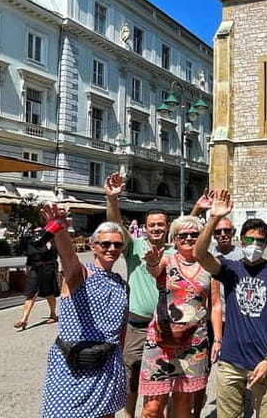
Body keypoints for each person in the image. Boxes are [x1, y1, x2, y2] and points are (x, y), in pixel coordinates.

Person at [195, 190, 267, 418]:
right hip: (230, 362)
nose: (254, 244)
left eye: (260, 240)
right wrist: (214, 218)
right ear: (241, 240)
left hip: (263, 362)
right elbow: (200, 254)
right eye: (250, 239)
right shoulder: (230, 269)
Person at [40, 205, 128, 418]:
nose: (111, 249)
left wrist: (120, 359)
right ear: (93, 245)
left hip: (107, 362)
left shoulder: (121, 284)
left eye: (117, 244)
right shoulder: (81, 274)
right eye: (105, 244)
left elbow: (121, 328)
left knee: (106, 414)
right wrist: (60, 230)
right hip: (73, 363)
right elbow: (68, 256)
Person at [105, 173, 175, 418]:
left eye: (161, 224)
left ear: (167, 227)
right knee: (131, 375)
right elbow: (115, 227)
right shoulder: (134, 247)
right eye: (152, 224)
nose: (156, 228)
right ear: (145, 228)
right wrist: (113, 199)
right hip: (138, 326)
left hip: (168, 328)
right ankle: (128, 415)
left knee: (163, 376)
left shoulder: (176, 251)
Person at [138, 215, 220, 418]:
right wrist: (152, 263)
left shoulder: (209, 265)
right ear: (174, 238)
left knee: (183, 404)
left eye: (195, 234)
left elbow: (216, 304)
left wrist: (218, 338)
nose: (189, 238)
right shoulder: (168, 259)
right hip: (161, 341)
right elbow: (155, 270)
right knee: (152, 409)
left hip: (194, 342)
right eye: (183, 235)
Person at [15, 229, 60, 330]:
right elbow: (29, 256)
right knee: (31, 293)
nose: (37, 233)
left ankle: (53, 314)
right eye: (35, 232)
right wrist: (27, 267)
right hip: (35, 269)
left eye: (39, 231)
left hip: (48, 269)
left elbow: (57, 256)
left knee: (49, 293)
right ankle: (24, 319)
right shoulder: (32, 242)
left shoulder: (52, 242)